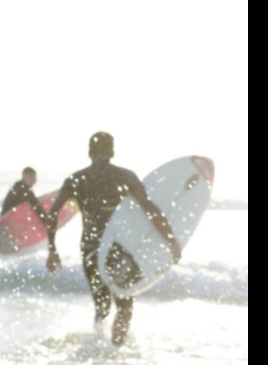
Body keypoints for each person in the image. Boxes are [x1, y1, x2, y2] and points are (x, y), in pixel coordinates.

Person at [45, 132, 182, 346]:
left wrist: (52, 250)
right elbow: (149, 209)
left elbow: (52, 214)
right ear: (112, 152)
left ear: (89, 152)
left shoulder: (76, 179)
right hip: (118, 247)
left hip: (90, 247)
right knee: (125, 303)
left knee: (102, 305)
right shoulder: (125, 177)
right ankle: (116, 348)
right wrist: (170, 240)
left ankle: (97, 347)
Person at [0, 166, 53, 231]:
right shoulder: (24, 190)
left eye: (35, 178)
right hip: (10, 222)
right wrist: (46, 221)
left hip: (7, 221)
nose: (34, 180)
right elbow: (36, 206)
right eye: (32, 177)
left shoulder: (18, 186)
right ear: (24, 177)